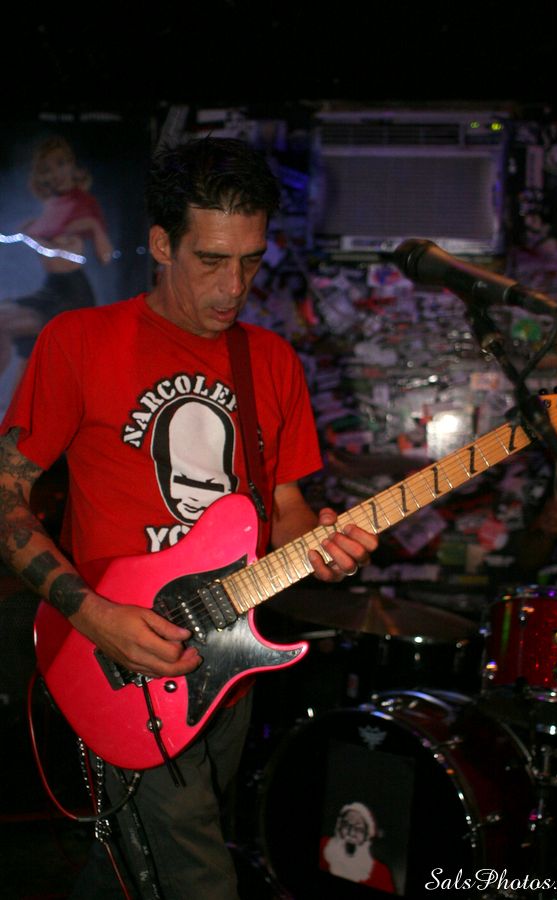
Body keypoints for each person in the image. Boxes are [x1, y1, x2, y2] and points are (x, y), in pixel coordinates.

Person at [0, 136, 377, 900]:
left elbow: (284, 509)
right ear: (161, 244)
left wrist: (326, 545)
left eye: (250, 261)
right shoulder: (81, 342)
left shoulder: (271, 360)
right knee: (200, 881)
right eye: (211, 260)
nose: (233, 287)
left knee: (131, 874)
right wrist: (94, 615)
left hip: (230, 664)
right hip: (123, 660)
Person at [0, 135, 113, 384]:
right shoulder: (52, 205)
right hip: (50, 288)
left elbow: (105, 256)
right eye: (47, 168)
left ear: (73, 165)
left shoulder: (84, 204)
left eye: (61, 163)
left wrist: (92, 227)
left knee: (3, 322)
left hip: (70, 295)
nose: (56, 173)